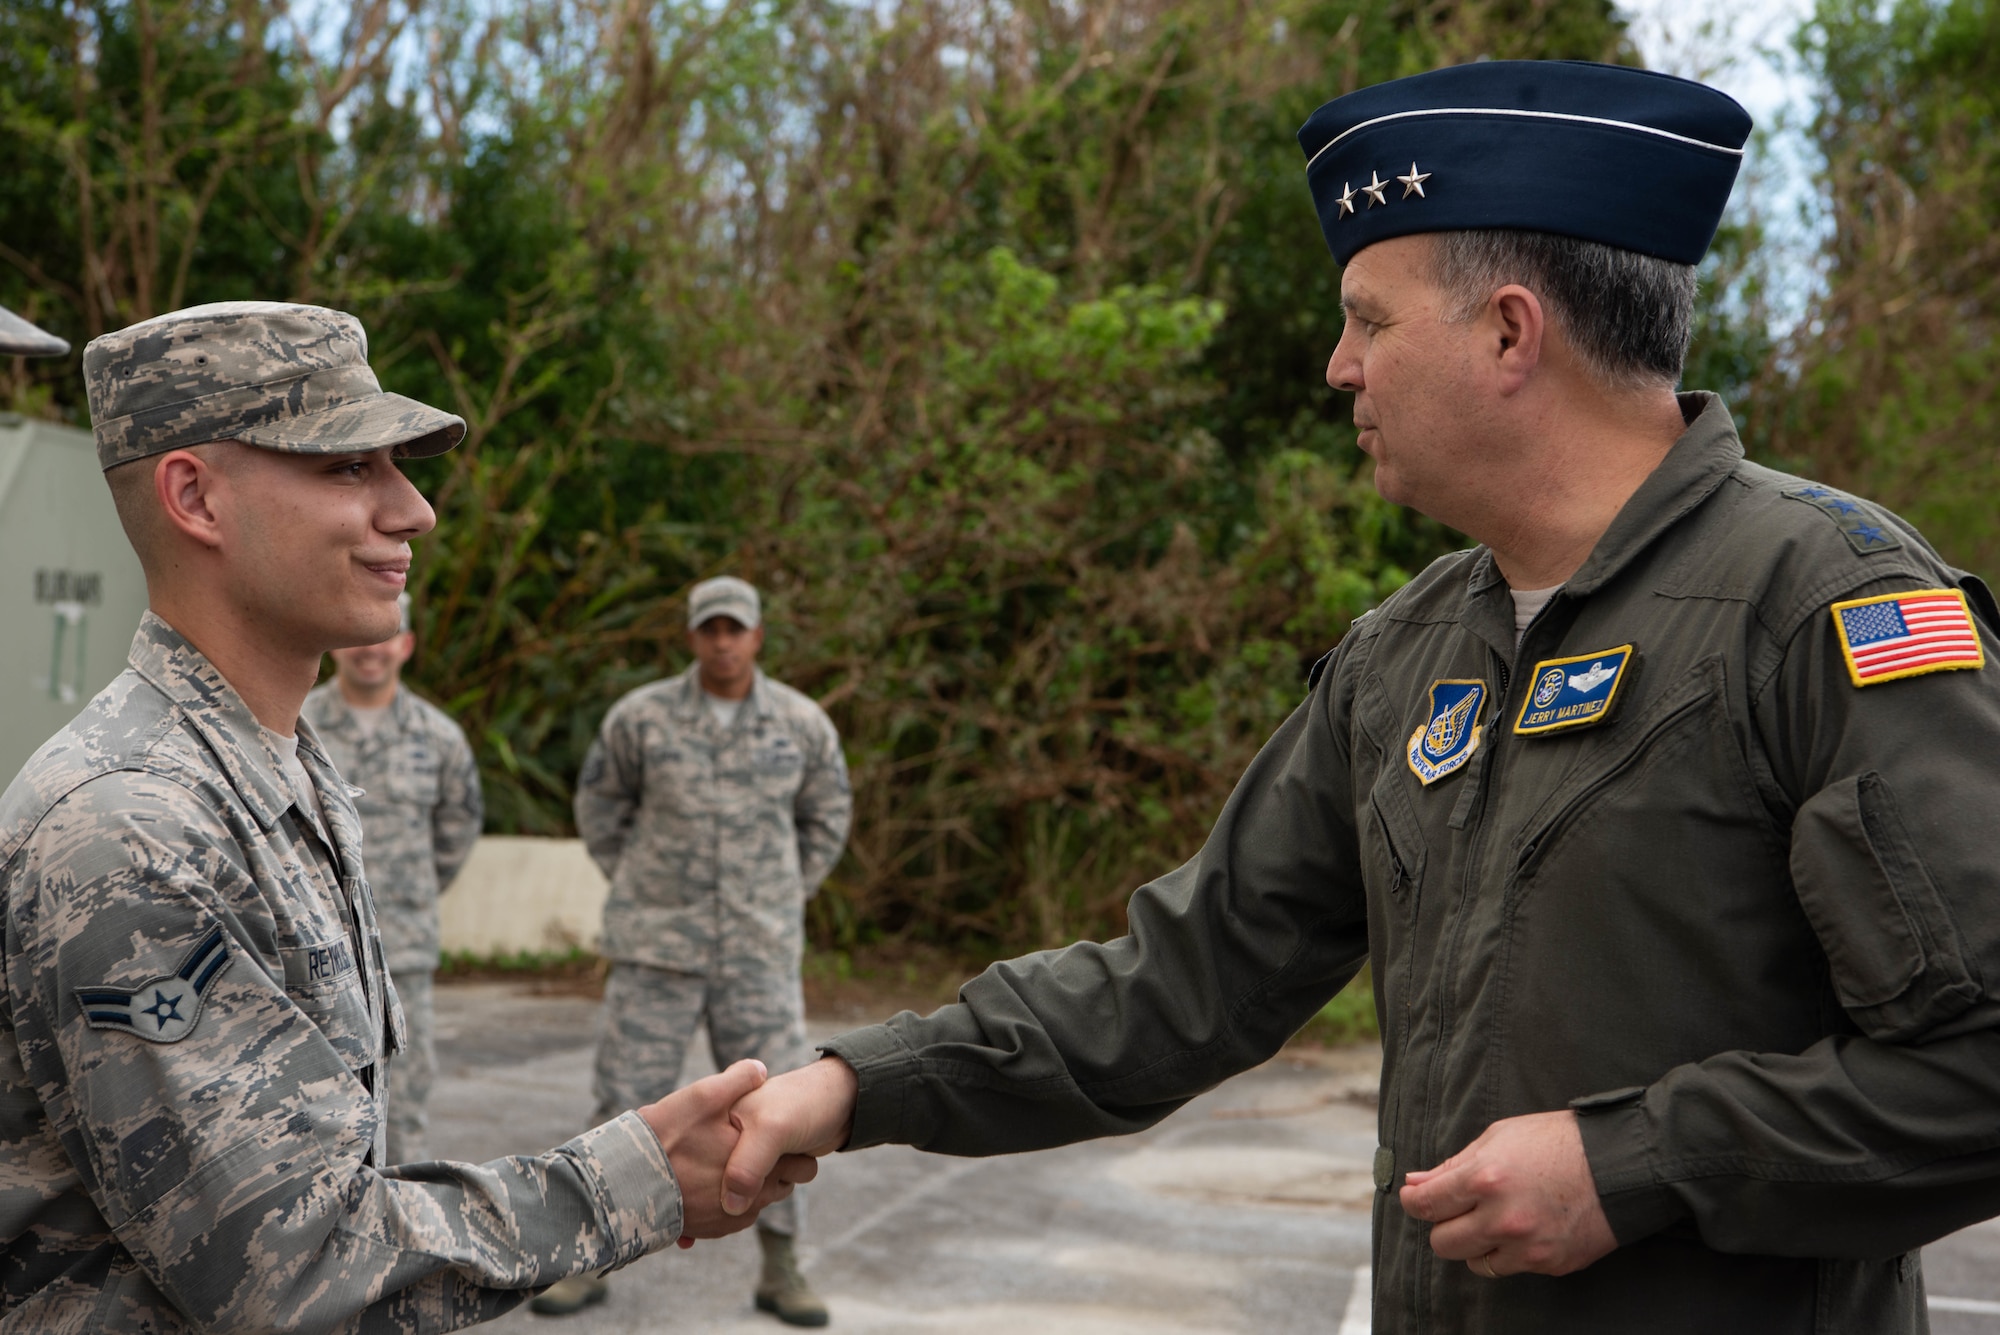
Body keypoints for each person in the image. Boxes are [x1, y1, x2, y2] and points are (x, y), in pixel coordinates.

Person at [719, 60, 2000, 1334]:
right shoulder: (1406, 651)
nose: (1338, 368)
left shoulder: (1821, 608)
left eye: (1368, 322)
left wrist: (1638, 1164)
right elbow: (1185, 981)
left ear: (1509, 331)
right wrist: (845, 1086)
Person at [0, 300, 811, 1332]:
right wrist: (630, 1182)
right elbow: (290, 1266)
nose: (415, 509)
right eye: (348, 468)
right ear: (195, 496)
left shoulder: (274, 761)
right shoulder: (131, 827)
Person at [536, 577, 851, 1325]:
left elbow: (826, 816)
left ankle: (782, 1266)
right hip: (657, 947)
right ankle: (589, 1255)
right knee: (623, 1100)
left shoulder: (802, 723)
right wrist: (645, 884)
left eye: (735, 629)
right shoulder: (640, 718)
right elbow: (601, 806)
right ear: (691, 636)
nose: (722, 641)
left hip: (758, 951)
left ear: (757, 635)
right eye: (709, 628)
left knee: (782, 1109)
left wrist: (778, 894)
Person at [304, 593, 483, 1163]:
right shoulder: (296, 723)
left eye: (384, 639)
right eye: (357, 639)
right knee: (315, 1097)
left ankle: (405, 1224)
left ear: (405, 646)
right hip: (314, 945)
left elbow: (458, 825)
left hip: (403, 947)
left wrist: (412, 891)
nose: (370, 652)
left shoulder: (439, 736)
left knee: (405, 1097)